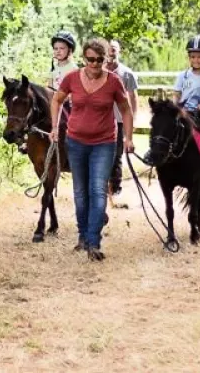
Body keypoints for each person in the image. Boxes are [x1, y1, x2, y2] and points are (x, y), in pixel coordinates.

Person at [50, 37, 135, 261]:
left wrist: (128, 137)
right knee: (80, 192)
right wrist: (54, 128)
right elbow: (57, 100)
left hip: (104, 143)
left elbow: (126, 110)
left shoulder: (114, 82)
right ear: (83, 58)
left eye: (99, 60)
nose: (94, 64)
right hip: (76, 142)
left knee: (97, 190)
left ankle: (94, 242)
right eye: (90, 60)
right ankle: (82, 237)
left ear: (105, 59)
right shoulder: (71, 79)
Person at [105, 39, 138, 196]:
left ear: (119, 51)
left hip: (119, 120)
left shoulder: (127, 73)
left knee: (117, 154)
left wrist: (133, 119)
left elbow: (133, 98)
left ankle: (116, 186)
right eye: (109, 48)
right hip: (101, 120)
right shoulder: (99, 71)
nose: (111, 51)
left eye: (114, 48)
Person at [171, 35, 200, 114]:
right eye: (193, 57)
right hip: (184, 112)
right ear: (189, 58)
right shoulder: (182, 76)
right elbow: (176, 95)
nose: (196, 60)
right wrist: (177, 107)